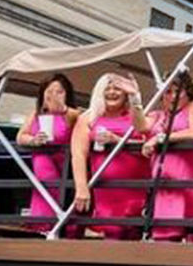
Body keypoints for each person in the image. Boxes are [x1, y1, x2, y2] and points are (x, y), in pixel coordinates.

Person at [71, 73, 149, 239]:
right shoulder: (88, 118)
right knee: (111, 233)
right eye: (108, 88)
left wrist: (118, 140)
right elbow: (78, 153)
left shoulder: (134, 115)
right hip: (106, 188)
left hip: (136, 188)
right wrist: (81, 187)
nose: (112, 92)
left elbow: (145, 137)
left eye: (117, 89)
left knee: (134, 234)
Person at [141, 70, 193, 242]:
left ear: (187, 92)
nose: (173, 96)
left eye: (178, 91)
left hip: (190, 177)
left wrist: (160, 138)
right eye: (168, 92)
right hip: (164, 182)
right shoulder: (157, 115)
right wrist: (134, 99)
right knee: (164, 235)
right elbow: (139, 126)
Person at [15, 73, 80, 228]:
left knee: (59, 191)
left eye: (59, 92)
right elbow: (20, 136)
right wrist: (33, 140)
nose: (53, 96)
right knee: (42, 176)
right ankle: (42, 224)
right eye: (49, 91)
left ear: (67, 94)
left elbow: (84, 121)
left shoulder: (71, 114)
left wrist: (62, 108)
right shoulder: (36, 114)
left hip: (64, 163)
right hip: (42, 161)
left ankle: (54, 223)